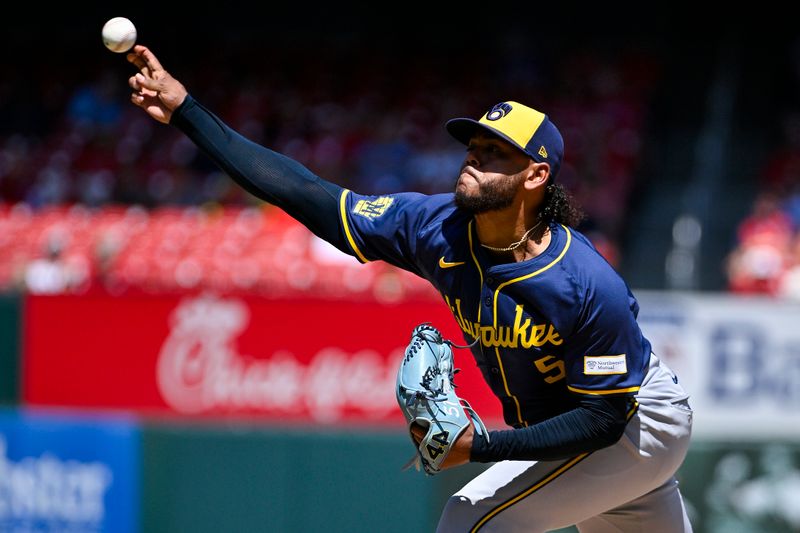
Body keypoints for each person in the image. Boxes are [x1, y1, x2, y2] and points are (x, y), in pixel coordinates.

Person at [126, 44, 694, 532]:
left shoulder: (583, 280)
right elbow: (305, 192)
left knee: (470, 519)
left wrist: (482, 448)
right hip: (575, 436)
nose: (474, 156)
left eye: (496, 152)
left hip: (634, 422)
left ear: (536, 176)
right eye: (474, 145)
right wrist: (186, 111)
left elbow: (604, 419)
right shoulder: (433, 227)